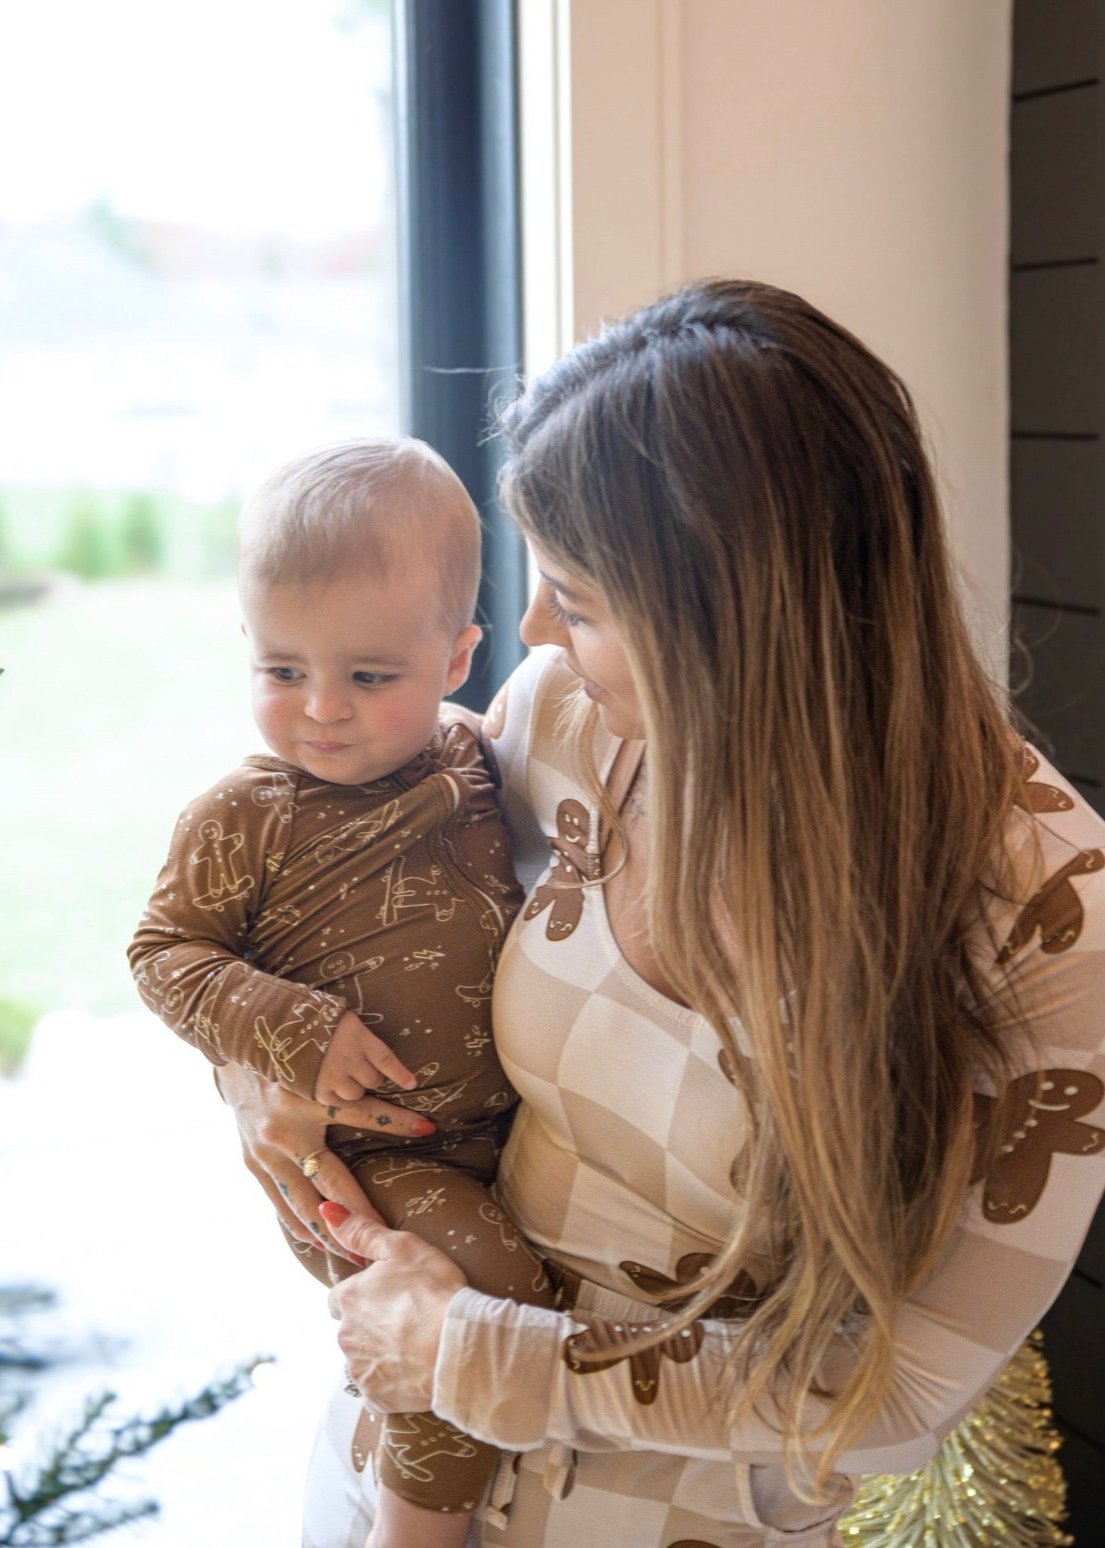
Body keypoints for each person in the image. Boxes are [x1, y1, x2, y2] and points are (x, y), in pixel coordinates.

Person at [215, 281, 1105, 1548]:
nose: (529, 634)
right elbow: (321, 902)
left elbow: (897, 1395)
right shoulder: (566, 724)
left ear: (735, 620)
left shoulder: (1042, 908)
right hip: (406, 1465)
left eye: (575, 599)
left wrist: (472, 1353)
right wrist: (268, 1069)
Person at [128, 438, 557, 1548]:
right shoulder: (246, 815)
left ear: (458, 655)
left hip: (495, 1131)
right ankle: (415, 1529)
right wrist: (289, 1031)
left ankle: (396, 1434)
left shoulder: (477, 762)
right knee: (488, 1295)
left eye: (370, 677)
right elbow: (165, 951)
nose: (321, 709)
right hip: (370, 1160)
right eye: (281, 672)